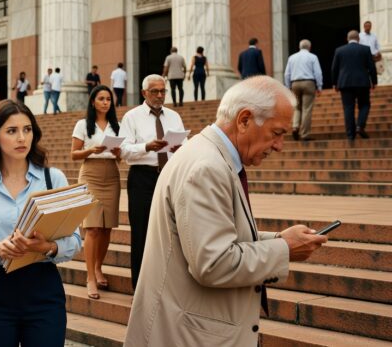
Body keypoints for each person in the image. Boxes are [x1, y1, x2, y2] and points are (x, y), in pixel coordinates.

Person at [123, 76, 328, 347]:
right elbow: (214, 263)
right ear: (244, 120)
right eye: (277, 133)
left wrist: (278, 239)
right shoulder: (207, 166)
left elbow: (215, 235)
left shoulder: (207, 153)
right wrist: (284, 249)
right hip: (192, 334)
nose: (279, 146)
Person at [0, 100, 81, 346]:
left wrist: (47, 247)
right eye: (12, 131)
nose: (22, 138)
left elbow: (75, 241)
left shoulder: (53, 178)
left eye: (27, 129)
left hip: (43, 290)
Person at [120, 74, 185, 289]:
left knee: (172, 231)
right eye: (155, 91)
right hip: (142, 178)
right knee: (142, 232)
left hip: (169, 176)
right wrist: (146, 147)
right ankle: (140, 286)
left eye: (162, 91)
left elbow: (184, 143)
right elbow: (124, 150)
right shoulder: (132, 117)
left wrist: (181, 147)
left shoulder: (174, 116)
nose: (159, 95)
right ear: (144, 93)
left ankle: (169, 283)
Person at [70, 85, 121, 300]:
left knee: (107, 228)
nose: (105, 102)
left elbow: (120, 157)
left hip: (111, 175)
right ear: (93, 102)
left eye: (108, 99)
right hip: (90, 174)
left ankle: (99, 267)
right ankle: (90, 277)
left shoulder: (117, 125)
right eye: (101, 98)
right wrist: (90, 150)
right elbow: (74, 154)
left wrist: (118, 152)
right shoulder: (83, 124)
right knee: (92, 229)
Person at [331, 30, 377, 141]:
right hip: (362, 83)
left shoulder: (339, 50)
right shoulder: (365, 49)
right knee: (365, 104)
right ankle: (360, 126)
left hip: (345, 83)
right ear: (358, 39)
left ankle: (350, 135)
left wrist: (334, 83)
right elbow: (371, 67)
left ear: (347, 39)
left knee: (348, 108)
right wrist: (374, 81)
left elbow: (334, 68)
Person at [284, 39, 323, 141]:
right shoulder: (313, 57)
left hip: (295, 83)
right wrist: (319, 86)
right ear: (309, 47)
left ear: (299, 47)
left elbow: (286, 74)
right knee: (307, 109)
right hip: (308, 83)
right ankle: (304, 134)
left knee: (297, 107)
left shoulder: (292, 57)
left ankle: (295, 127)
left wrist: (288, 86)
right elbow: (318, 73)